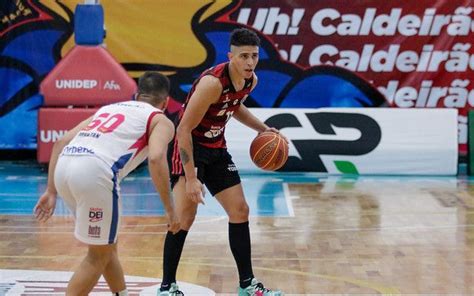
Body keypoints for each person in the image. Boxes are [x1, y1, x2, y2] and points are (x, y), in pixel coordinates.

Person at [161, 28, 285, 296]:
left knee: (240, 210)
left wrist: (263, 129)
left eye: (254, 56)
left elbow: (234, 105)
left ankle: (247, 285)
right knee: (184, 217)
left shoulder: (250, 81)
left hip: (217, 148)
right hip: (189, 147)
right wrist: (192, 178)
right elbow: (183, 129)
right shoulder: (212, 83)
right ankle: (167, 286)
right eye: (243, 56)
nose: (250, 62)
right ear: (231, 56)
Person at [34, 72, 180, 296]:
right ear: (166, 101)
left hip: (64, 167)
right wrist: (170, 210)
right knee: (99, 255)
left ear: (136, 94)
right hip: (95, 172)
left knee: (106, 246)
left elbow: (61, 142)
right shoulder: (160, 120)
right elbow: (156, 157)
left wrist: (51, 191)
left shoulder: (109, 109)